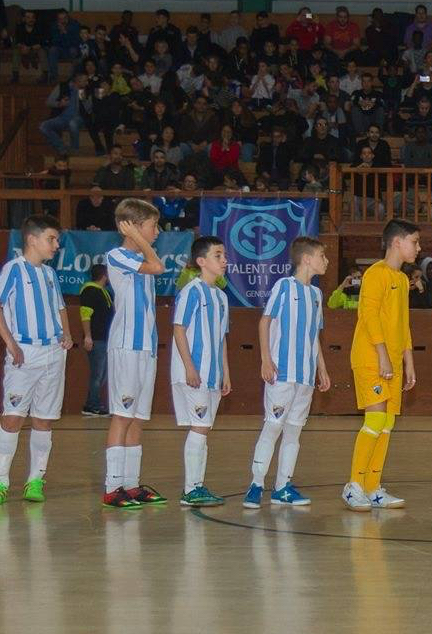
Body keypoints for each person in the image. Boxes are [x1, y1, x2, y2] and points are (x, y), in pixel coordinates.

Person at [0, 215, 75, 505]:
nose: (56, 245)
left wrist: (66, 334)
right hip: (24, 354)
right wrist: (10, 343)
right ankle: (0, 481)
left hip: (53, 354)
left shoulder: (49, 274)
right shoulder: (13, 269)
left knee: (44, 420)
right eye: (51, 239)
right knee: (12, 418)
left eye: (57, 239)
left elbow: (60, 307)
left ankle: (35, 480)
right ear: (32, 239)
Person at [246, 238, 332, 507]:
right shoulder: (284, 286)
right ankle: (256, 485)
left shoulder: (316, 295)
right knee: (273, 426)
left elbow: (313, 335)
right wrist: (266, 360)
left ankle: (282, 487)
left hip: (305, 375)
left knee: (294, 431)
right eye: (321, 256)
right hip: (282, 372)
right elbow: (264, 322)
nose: (326, 261)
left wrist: (322, 368)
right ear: (306, 259)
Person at [344, 221, 421, 511]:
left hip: (393, 362)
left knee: (387, 424)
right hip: (371, 358)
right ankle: (354, 485)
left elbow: (403, 324)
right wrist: (383, 355)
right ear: (397, 242)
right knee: (375, 420)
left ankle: (372, 487)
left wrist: (408, 361)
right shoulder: (375, 274)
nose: (418, 248)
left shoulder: (401, 279)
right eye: (415, 241)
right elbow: (368, 315)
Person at [101, 199, 168, 509]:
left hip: (146, 347)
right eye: (153, 226)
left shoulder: (141, 257)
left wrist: (142, 242)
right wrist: (140, 240)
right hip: (127, 345)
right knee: (123, 415)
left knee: (138, 417)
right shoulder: (117, 255)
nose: (158, 231)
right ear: (134, 227)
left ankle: (130, 485)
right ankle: (112, 486)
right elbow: (158, 267)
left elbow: (153, 265)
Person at [170, 237, 231, 508]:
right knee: (200, 427)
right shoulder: (191, 291)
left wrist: (225, 372)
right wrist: (189, 367)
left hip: (212, 374)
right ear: (201, 261)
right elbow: (179, 329)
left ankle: (197, 485)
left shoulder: (221, 297)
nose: (224, 260)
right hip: (194, 373)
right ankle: (190, 489)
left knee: (204, 429)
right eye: (218, 255)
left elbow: (222, 338)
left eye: (224, 255)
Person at [78, 263, 112, 416]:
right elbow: (85, 314)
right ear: (105, 276)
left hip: (105, 339)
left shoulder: (104, 292)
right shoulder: (90, 291)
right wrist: (88, 336)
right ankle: (92, 405)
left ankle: (92, 403)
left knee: (102, 374)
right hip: (96, 339)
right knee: (97, 374)